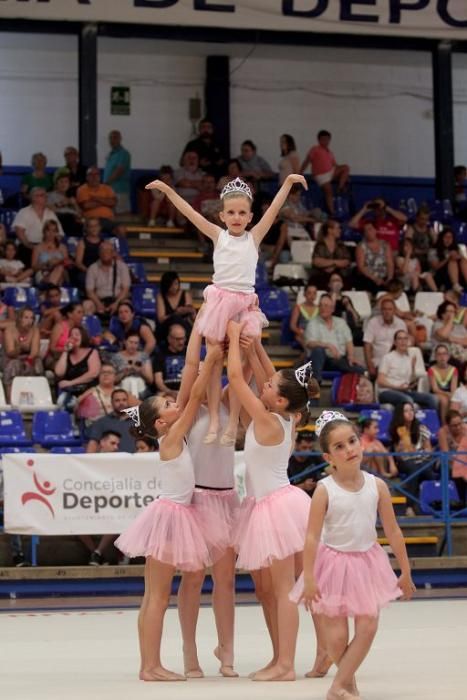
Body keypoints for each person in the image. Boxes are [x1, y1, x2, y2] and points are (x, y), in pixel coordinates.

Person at [146, 172, 307, 446]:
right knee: (214, 359)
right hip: (219, 302)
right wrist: (167, 190)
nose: (236, 217)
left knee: (242, 362)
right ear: (221, 215)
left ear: (250, 217)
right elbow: (189, 212)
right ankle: (216, 421)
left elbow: (275, 210)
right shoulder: (218, 236)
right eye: (230, 212)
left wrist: (288, 183)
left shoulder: (254, 237)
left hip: (245, 304)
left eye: (241, 212)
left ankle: (232, 421)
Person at [114, 343, 223, 681]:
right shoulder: (173, 435)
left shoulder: (173, 435)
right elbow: (192, 400)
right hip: (170, 516)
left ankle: (150, 664)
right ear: (161, 421)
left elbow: (188, 400)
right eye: (168, 404)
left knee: (154, 596)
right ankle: (150, 666)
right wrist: (213, 359)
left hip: (175, 513)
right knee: (158, 597)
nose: (175, 404)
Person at [290, 410, 415, 700]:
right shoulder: (324, 490)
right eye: (339, 446)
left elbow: (393, 531)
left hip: (368, 562)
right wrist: (308, 577)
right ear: (328, 458)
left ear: (361, 443)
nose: (349, 449)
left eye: (352, 441)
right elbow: (310, 537)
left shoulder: (377, 486)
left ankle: (337, 686)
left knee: (368, 626)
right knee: (336, 637)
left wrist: (405, 571)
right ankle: (349, 684)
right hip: (332, 564)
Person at [227, 321, 319, 681]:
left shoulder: (268, 420)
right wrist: (255, 346)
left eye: (268, 387)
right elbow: (271, 376)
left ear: (279, 400)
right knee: (266, 589)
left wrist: (235, 339)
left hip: (276, 508)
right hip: (263, 504)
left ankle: (287, 665)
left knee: (282, 590)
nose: (263, 383)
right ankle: (278, 656)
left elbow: (236, 379)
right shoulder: (286, 413)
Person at [176, 329, 241, 678]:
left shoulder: (230, 403)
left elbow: (240, 374)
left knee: (226, 580)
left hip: (226, 497)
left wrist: (239, 342)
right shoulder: (189, 406)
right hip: (198, 499)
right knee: (193, 578)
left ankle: (227, 651)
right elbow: (192, 365)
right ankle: (189, 649)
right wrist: (204, 337)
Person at [78, 429, 122, 567]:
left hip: (112, 503)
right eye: (113, 443)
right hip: (90, 502)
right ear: (102, 443)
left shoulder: (122, 462)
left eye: (117, 445)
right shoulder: (88, 462)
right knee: (74, 521)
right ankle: (94, 552)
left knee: (120, 518)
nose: (116, 447)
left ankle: (97, 552)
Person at [305, 294, 364, 384]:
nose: (322, 308)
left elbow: (349, 342)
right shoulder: (313, 323)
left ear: (332, 309)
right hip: (322, 361)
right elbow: (309, 343)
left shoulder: (341, 322)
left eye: (326, 306)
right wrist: (328, 345)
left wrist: (351, 357)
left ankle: (357, 371)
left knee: (358, 368)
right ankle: (316, 381)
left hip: (339, 359)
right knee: (318, 350)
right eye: (320, 305)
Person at [389, 402, 434, 515]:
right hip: (406, 462)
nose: (410, 413)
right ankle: (409, 507)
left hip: (422, 461)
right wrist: (401, 448)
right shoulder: (397, 430)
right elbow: (399, 456)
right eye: (406, 411)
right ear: (400, 414)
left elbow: (429, 449)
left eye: (411, 410)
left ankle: (432, 506)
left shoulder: (421, 428)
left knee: (428, 473)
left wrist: (420, 453)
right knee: (414, 469)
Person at [377, 329, 437, 409]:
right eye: (400, 339)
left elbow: (410, 381)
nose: (403, 341)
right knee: (407, 400)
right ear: (395, 342)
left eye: (405, 339)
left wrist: (412, 368)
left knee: (432, 399)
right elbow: (380, 381)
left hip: (404, 391)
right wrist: (397, 387)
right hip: (387, 392)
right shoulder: (388, 357)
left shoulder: (409, 358)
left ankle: (429, 421)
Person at [300, 130, 350, 215]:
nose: (325, 141)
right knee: (329, 191)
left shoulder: (330, 152)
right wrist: (300, 172)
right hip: (320, 175)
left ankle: (340, 188)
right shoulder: (314, 149)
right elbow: (307, 161)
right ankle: (332, 212)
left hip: (331, 172)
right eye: (323, 139)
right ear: (319, 140)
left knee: (346, 168)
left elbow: (335, 165)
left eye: (327, 139)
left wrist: (344, 177)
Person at [12, 187, 64, 267]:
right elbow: (19, 232)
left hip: (47, 246)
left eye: (46, 195)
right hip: (28, 246)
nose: (46, 197)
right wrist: (30, 246)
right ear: (34, 198)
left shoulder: (51, 213)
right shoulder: (24, 212)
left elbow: (59, 233)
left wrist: (50, 246)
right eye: (42, 195)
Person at [54, 326, 101, 410]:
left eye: (77, 334)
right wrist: (65, 351)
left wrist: (71, 383)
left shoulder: (92, 352)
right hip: (70, 391)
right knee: (63, 401)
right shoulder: (67, 354)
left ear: (83, 337)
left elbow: (93, 373)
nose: (74, 337)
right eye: (71, 335)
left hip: (88, 390)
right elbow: (59, 372)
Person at [2, 307, 43, 400]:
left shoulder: (35, 330)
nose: (30, 321)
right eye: (26, 317)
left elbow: (35, 351)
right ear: (19, 318)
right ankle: (10, 399)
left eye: (32, 318)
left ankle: (37, 398)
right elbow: (10, 353)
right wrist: (19, 347)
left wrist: (28, 361)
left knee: (37, 363)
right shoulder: (10, 330)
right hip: (10, 358)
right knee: (14, 364)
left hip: (27, 357)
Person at [85, 241, 131, 318]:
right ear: (99, 253)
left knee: (127, 306)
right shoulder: (92, 268)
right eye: (102, 251)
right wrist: (98, 304)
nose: (104, 253)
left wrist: (116, 303)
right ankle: (91, 328)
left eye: (107, 251)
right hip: (99, 301)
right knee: (87, 305)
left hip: (118, 300)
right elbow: (89, 291)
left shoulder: (122, 267)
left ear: (113, 253)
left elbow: (125, 289)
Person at [363, 298, 407, 380]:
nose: (387, 312)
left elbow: (404, 344)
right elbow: (367, 345)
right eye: (384, 309)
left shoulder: (401, 324)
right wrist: (370, 365)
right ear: (381, 311)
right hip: (379, 362)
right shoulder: (373, 322)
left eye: (390, 309)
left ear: (394, 311)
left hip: (397, 360)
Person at [86, 388, 137, 453]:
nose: (121, 403)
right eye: (117, 400)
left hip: (135, 460)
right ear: (111, 402)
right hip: (111, 461)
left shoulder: (138, 421)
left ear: (128, 402)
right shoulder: (101, 422)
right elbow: (93, 445)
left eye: (124, 400)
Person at [309, 220, 352, 290]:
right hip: (322, 275)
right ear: (330, 230)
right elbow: (317, 261)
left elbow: (346, 261)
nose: (340, 230)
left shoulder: (341, 245)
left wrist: (331, 264)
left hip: (339, 273)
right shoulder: (320, 245)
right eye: (337, 228)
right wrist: (335, 262)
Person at [156, 271, 195, 343]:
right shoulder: (161, 296)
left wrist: (187, 310)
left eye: (176, 284)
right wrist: (176, 314)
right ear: (166, 285)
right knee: (175, 318)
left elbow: (192, 315)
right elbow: (161, 319)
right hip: (166, 326)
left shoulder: (185, 294)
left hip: (184, 325)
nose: (174, 287)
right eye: (171, 285)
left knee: (183, 322)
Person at [438, 409, 467, 507]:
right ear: (448, 426)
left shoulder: (466, 430)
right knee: (454, 470)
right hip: (448, 462)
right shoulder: (443, 432)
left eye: (460, 424)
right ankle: (461, 500)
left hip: (464, 461)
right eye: (454, 426)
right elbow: (445, 454)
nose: (458, 427)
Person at [355, 222, 394, 294]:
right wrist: (375, 278)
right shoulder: (361, 246)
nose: (368, 232)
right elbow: (361, 267)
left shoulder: (385, 244)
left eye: (370, 229)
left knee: (393, 286)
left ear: (375, 230)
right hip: (368, 277)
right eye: (366, 230)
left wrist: (389, 278)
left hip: (384, 276)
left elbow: (390, 263)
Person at [113, 332, 153, 398]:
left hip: (141, 389)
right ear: (125, 342)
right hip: (121, 388)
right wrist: (125, 373)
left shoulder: (144, 356)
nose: (133, 345)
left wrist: (140, 371)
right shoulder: (116, 357)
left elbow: (150, 380)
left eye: (136, 343)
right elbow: (113, 380)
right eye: (131, 342)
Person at [152, 323, 187, 399]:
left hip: (187, 391)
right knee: (165, 401)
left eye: (183, 338)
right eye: (177, 339)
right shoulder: (160, 355)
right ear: (169, 339)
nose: (181, 342)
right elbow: (158, 381)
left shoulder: (190, 352)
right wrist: (170, 392)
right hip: (166, 392)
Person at [31, 220, 69, 287]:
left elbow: (67, 264)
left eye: (54, 231)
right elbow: (34, 267)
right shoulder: (37, 248)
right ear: (44, 231)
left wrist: (58, 262)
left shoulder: (62, 247)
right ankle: (54, 288)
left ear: (56, 233)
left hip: (61, 272)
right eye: (48, 230)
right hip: (43, 273)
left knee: (60, 268)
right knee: (58, 278)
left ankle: (50, 288)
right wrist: (46, 265)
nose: (51, 233)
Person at [429, 228, 467, 293]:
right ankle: (456, 285)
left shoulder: (456, 249)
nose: (448, 240)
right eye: (446, 237)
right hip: (440, 275)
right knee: (452, 261)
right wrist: (447, 258)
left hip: (457, 274)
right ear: (441, 238)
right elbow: (435, 267)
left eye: (450, 237)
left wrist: (458, 257)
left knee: (463, 260)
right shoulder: (433, 250)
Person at [428, 344, 459, 423]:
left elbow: (453, 389)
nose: (442, 357)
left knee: (454, 399)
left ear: (448, 356)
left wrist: (451, 395)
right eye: (439, 354)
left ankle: (454, 422)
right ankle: (444, 424)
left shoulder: (454, 369)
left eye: (444, 354)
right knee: (444, 400)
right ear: (435, 357)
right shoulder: (431, 369)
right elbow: (434, 389)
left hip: (449, 393)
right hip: (437, 393)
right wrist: (446, 394)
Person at [287, 429, 323, 498]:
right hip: (294, 499)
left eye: (310, 448)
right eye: (304, 447)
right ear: (296, 445)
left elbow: (329, 470)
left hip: (314, 498)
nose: (308, 451)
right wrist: (303, 486)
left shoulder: (315, 455)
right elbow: (281, 491)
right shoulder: (287, 462)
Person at [431, 300, 467, 367]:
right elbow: (443, 335)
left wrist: (453, 339)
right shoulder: (437, 325)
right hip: (442, 358)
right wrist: (450, 320)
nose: (452, 314)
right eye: (450, 311)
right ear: (442, 313)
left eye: (453, 311)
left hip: (461, 357)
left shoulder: (459, 327)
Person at [103, 130, 132, 214]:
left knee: (121, 214)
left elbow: (119, 171)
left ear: (120, 139)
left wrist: (106, 183)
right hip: (110, 190)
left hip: (120, 190)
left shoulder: (124, 154)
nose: (112, 140)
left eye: (115, 138)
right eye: (110, 138)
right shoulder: (111, 154)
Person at [72, 217, 104, 288]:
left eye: (96, 226)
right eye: (91, 226)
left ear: (100, 227)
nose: (94, 228)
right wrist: (90, 272)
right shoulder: (82, 243)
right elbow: (78, 263)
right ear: (87, 229)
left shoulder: (104, 243)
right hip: (85, 271)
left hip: (100, 271)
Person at [403, 206, 437, 272]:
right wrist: (425, 251)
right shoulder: (411, 230)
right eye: (422, 219)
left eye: (426, 219)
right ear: (417, 218)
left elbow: (437, 244)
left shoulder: (430, 230)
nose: (424, 221)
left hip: (429, 259)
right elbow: (408, 248)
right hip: (414, 258)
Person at [289, 283, 319, 348]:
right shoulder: (298, 307)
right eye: (309, 293)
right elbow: (292, 326)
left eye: (314, 293)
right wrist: (301, 332)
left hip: (315, 334)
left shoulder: (319, 308)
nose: (312, 295)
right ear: (304, 294)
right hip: (302, 334)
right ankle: (307, 353)